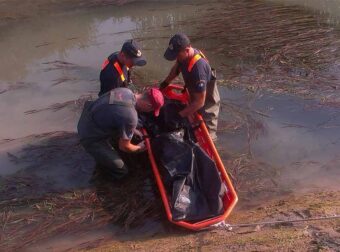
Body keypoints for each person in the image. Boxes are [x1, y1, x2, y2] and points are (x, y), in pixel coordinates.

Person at [77, 87, 164, 180]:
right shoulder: (131, 117)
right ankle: (100, 179)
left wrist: (132, 129)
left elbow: (117, 112)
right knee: (121, 171)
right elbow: (124, 147)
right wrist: (140, 148)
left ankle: (105, 156)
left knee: (135, 134)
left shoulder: (125, 91)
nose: (149, 112)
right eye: (151, 110)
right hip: (89, 135)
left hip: (88, 116)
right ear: (148, 105)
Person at [159, 33, 220, 141]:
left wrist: (179, 116)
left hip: (206, 104)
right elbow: (176, 69)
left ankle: (212, 145)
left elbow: (200, 102)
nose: (176, 58)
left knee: (207, 137)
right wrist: (165, 83)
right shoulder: (184, 56)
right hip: (195, 94)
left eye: (177, 55)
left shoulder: (198, 70)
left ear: (187, 50)